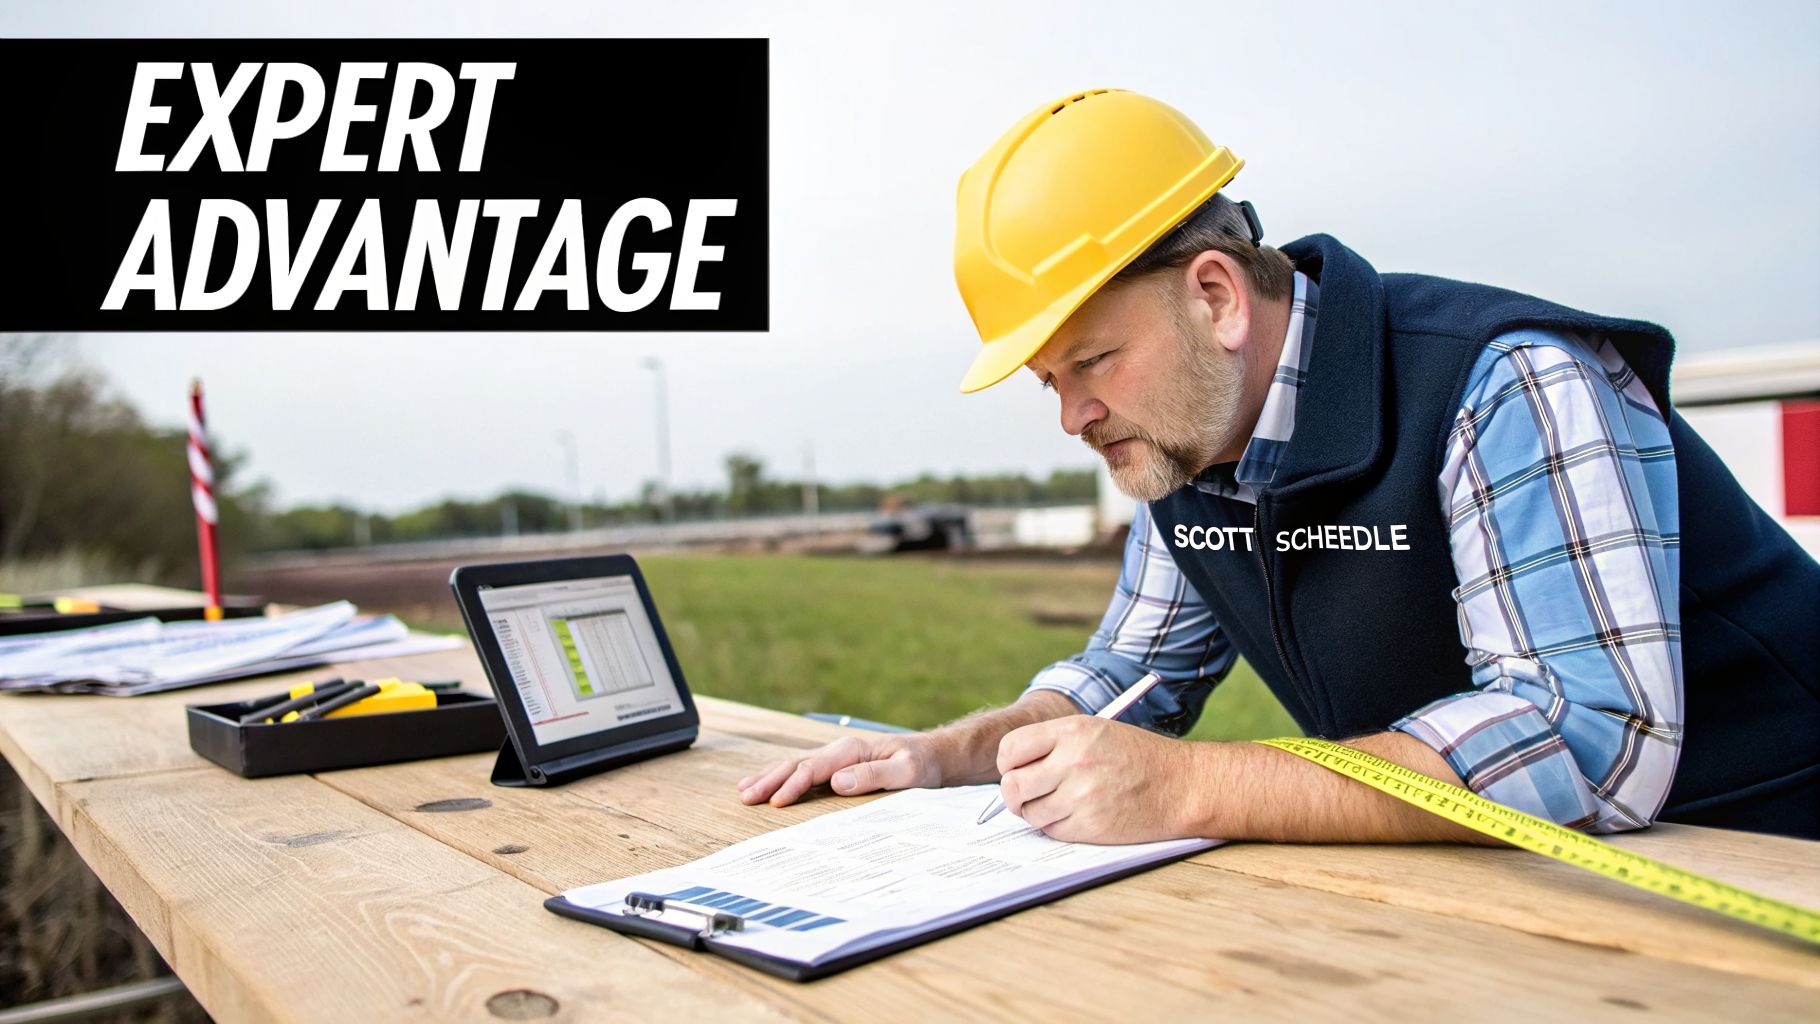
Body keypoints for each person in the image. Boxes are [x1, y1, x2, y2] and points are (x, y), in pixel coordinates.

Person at [736, 89, 1820, 842]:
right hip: (1526, 882)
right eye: (1046, 382)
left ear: (1212, 294)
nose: (1072, 414)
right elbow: (1122, 682)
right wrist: (944, 755)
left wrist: (1192, 785)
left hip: (1758, 845)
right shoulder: (1187, 448)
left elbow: (1585, 739)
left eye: (1092, 361)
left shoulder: (1503, 384)